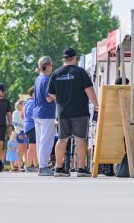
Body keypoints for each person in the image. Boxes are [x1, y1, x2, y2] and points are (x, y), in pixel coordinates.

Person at [48, 48, 99, 177]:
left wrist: (61, 99)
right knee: (80, 140)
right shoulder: (80, 72)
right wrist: (97, 105)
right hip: (79, 111)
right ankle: (81, 169)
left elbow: (50, 93)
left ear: (63, 59)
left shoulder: (56, 73)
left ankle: (58, 168)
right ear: (74, 58)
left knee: (62, 139)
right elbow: (89, 90)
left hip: (63, 112)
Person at [33, 56, 57, 176]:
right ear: (47, 65)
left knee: (40, 141)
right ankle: (43, 166)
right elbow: (48, 98)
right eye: (52, 65)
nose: (52, 67)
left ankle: (41, 165)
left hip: (37, 113)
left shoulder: (38, 79)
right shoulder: (46, 79)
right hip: (46, 113)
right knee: (46, 141)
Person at [23, 87, 38, 171]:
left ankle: (36, 165)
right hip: (32, 126)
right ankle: (28, 166)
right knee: (32, 146)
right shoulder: (32, 102)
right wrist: (37, 119)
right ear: (33, 94)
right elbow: (29, 113)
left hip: (29, 126)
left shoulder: (28, 102)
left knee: (33, 146)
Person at [12, 99, 28, 170]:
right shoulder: (15, 112)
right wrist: (18, 133)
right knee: (20, 149)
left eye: (23, 103)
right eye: (21, 103)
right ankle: (19, 165)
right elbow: (15, 124)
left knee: (25, 149)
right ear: (18, 104)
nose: (22, 104)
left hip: (25, 131)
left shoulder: (24, 112)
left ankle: (22, 164)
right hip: (19, 132)